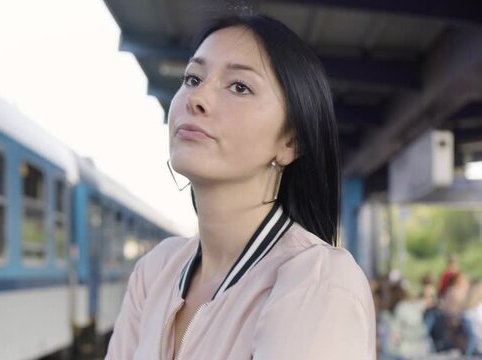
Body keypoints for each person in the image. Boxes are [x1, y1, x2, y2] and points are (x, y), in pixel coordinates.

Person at [105, 15, 375, 360]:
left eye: (239, 87)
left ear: (290, 142)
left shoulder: (318, 282)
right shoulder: (156, 271)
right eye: (192, 78)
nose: (197, 97)